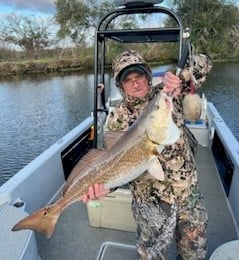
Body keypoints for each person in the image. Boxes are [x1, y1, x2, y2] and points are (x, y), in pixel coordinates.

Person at [82, 50, 212, 259]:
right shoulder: (117, 118)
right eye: (128, 80)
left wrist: (181, 78)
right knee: (150, 256)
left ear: (148, 75)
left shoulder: (168, 94)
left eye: (139, 76)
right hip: (150, 204)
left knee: (193, 255)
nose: (135, 83)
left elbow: (204, 62)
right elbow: (115, 165)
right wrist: (102, 187)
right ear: (120, 85)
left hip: (188, 196)